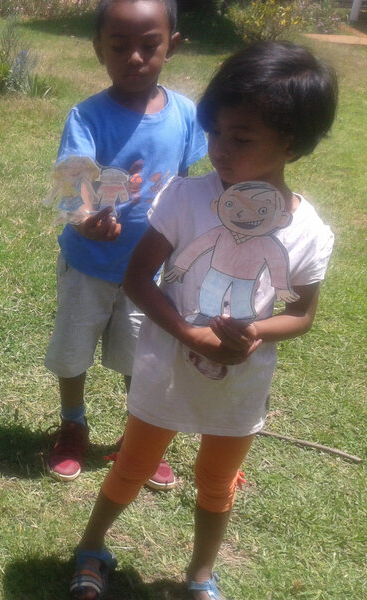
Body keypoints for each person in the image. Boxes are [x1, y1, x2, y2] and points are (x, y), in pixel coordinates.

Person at [68, 41, 338, 600]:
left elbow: (302, 314)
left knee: (217, 484)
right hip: (168, 366)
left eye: (240, 138)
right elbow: (139, 279)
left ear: (292, 143)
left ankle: (199, 576)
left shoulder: (309, 231)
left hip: (240, 382)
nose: (218, 149)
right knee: (132, 466)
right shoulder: (185, 198)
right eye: (213, 131)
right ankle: (92, 546)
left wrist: (255, 332)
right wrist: (191, 333)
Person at [45, 0, 207, 487]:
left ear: (171, 46)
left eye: (148, 45)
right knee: (74, 351)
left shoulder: (185, 114)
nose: (134, 57)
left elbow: (185, 180)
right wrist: (85, 218)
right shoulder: (88, 116)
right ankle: (72, 424)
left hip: (150, 272)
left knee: (143, 358)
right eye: (119, 46)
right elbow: (71, 182)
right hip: (90, 264)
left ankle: (140, 437)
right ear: (99, 51)